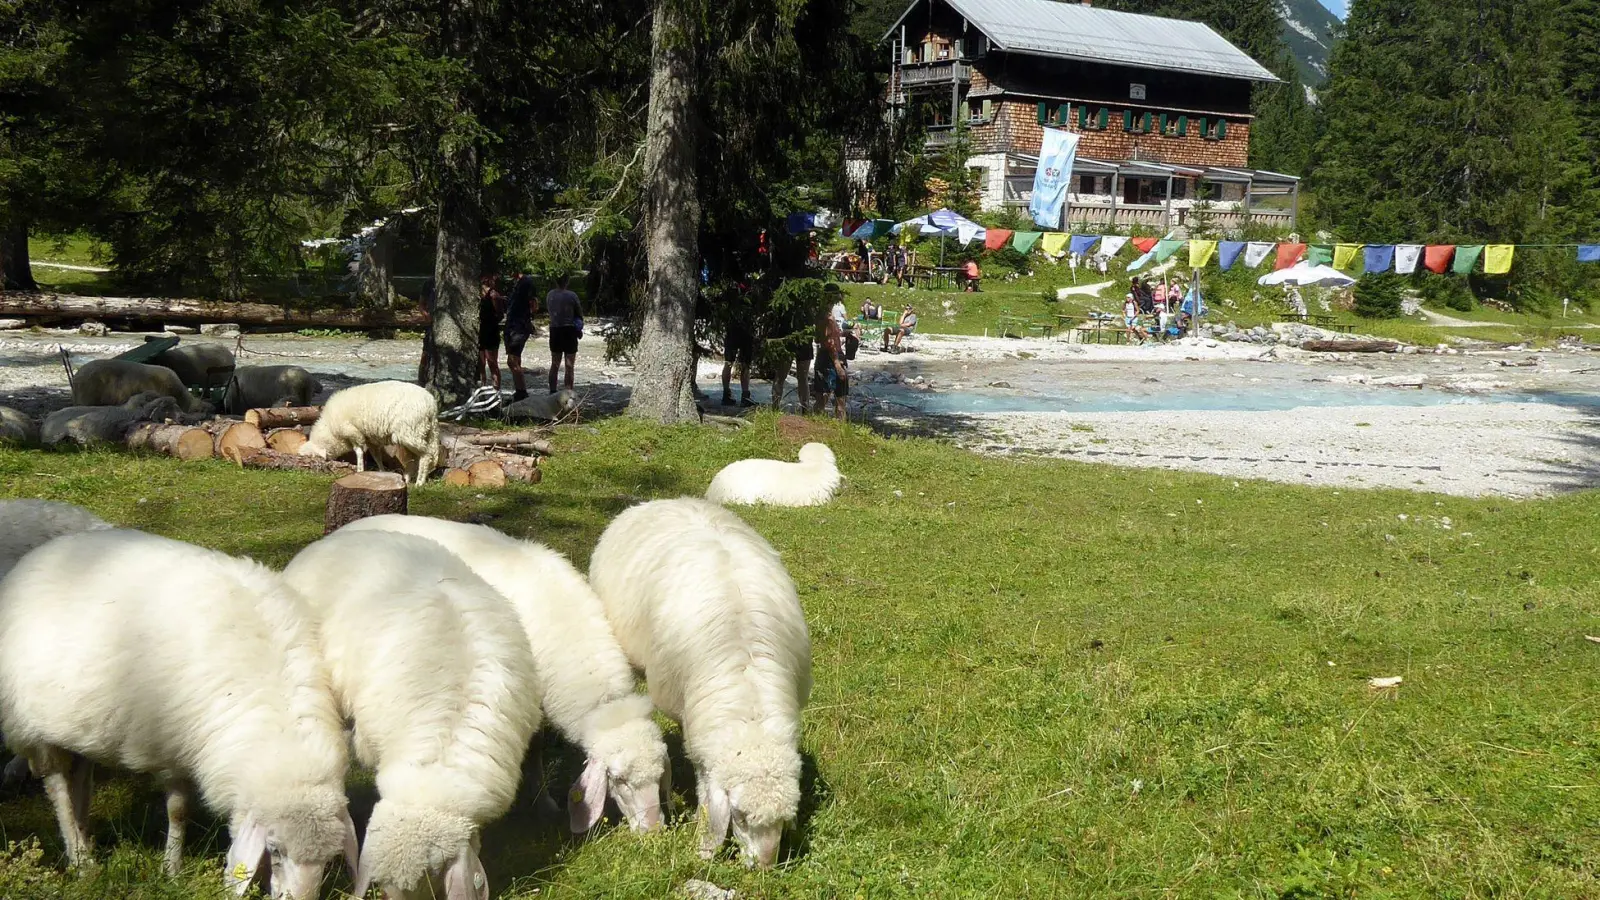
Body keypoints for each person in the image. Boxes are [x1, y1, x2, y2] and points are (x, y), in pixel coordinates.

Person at [544, 273, 583, 395]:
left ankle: (552, 391)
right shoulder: (572, 296)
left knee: (555, 363)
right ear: (567, 281)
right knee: (569, 365)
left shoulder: (550, 295)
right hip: (569, 330)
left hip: (555, 330)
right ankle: (568, 391)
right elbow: (579, 314)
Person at [812, 303, 848, 421]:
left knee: (825, 397)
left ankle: (817, 423)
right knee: (836, 398)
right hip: (831, 358)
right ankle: (839, 428)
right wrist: (837, 364)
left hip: (826, 356)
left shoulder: (822, 317)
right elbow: (829, 342)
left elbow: (820, 338)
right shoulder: (827, 319)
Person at [504, 270, 536, 400]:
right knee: (515, 360)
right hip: (512, 325)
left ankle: (522, 391)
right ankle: (519, 390)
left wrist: (528, 316)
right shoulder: (516, 284)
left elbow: (533, 303)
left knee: (512, 361)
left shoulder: (526, 282)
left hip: (519, 326)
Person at [477, 274, 505, 389]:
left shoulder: (493, 295)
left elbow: (500, 314)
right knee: (481, 363)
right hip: (481, 331)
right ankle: (482, 387)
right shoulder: (478, 296)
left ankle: (496, 388)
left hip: (491, 330)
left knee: (492, 362)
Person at [416, 276, 437, 385]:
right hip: (431, 324)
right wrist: (426, 316)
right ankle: (421, 380)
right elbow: (421, 304)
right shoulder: (429, 283)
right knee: (426, 352)